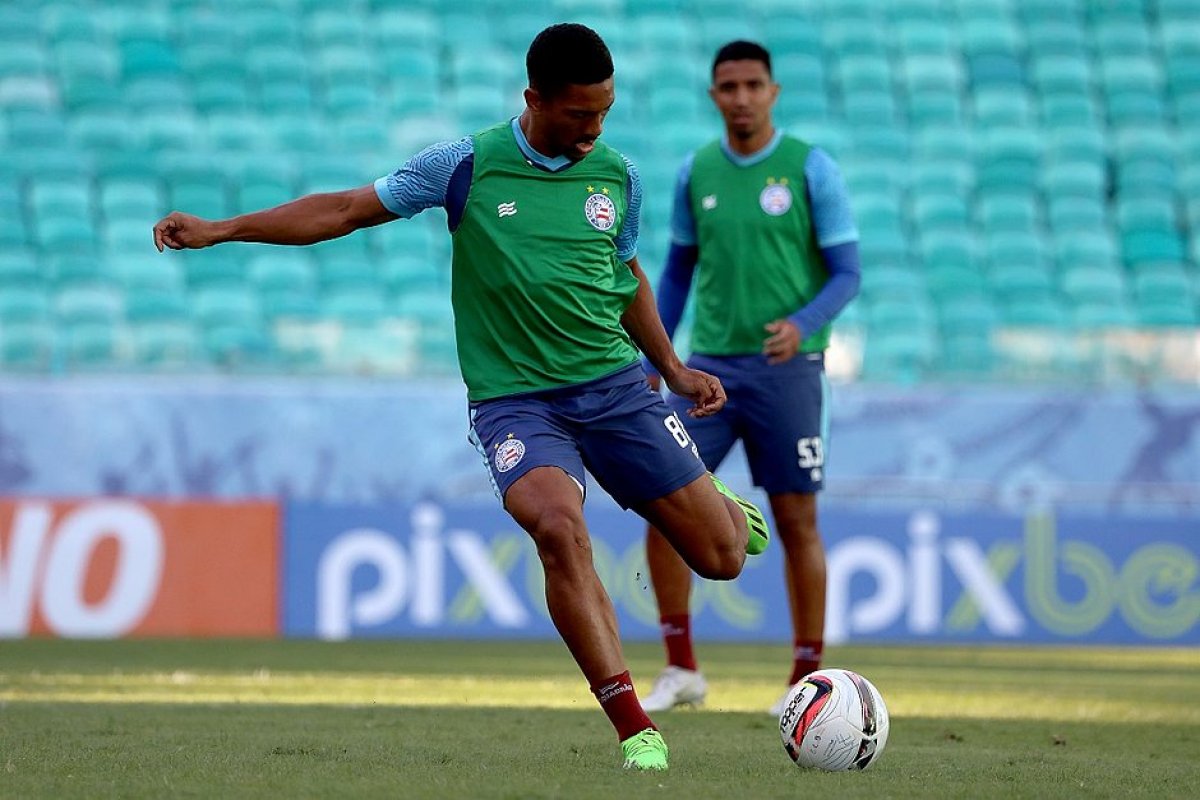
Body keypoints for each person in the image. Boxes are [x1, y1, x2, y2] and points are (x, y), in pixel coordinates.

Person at [152, 24, 769, 771]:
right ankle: (636, 727)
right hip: (517, 403)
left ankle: (720, 506)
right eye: (580, 114)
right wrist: (223, 229)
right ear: (534, 99)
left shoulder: (618, 177)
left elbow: (626, 275)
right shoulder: (464, 165)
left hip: (613, 387)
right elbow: (345, 209)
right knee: (556, 527)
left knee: (724, 557)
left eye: (604, 112)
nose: (594, 128)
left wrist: (670, 367)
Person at [639, 41, 861, 717]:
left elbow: (848, 271)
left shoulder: (808, 169)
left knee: (797, 519)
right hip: (709, 370)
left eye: (753, 85)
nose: (740, 96)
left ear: (773, 91)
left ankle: (806, 678)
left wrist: (803, 322)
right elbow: (676, 272)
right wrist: (658, 357)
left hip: (789, 371)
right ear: (713, 95)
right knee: (662, 501)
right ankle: (682, 668)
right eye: (728, 86)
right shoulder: (695, 172)